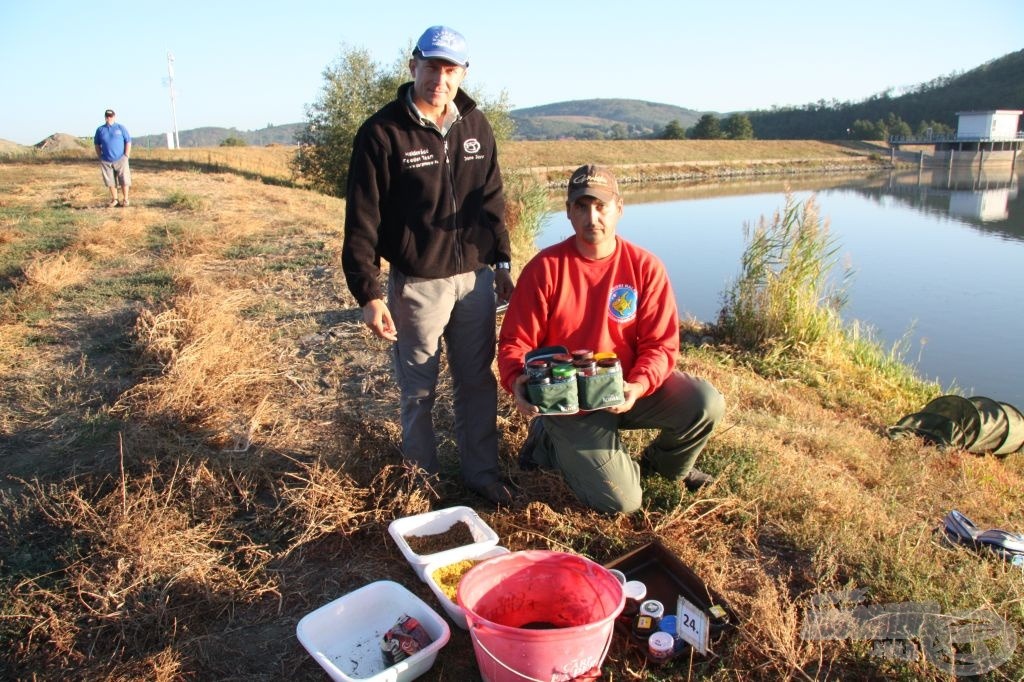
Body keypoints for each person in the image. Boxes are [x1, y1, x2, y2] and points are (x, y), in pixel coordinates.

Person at [341, 25, 514, 505]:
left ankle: (482, 474)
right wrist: (369, 294)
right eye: (432, 66)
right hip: (417, 286)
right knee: (419, 388)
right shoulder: (381, 132)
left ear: (463, 73)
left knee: (477, 381)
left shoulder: (475, 124)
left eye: (450, 68)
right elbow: (362, 221)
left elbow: (492, 200)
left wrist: (500, 261)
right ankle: (424, 485)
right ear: (413, 64)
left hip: (476, 281)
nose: (440, 77)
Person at [497, 164, 724, 514]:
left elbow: (661, 345)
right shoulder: (545, 268)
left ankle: (662, 469)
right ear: (569, 211)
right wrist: (516, 380)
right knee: (622, 503)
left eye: (601, 206)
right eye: (582, 206)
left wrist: (638, 385)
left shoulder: (645, 267)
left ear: (619, 208)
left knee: (705, 403)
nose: (592, 217)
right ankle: (548, 441)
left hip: (626, 388)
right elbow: (515, 341)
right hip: (570, 401)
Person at [94, 109, 132, 208]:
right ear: (105, 117)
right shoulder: (100, 130)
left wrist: (126, 155)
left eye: (111, 116)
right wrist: (100, 156)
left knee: (124, 180)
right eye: (107, 116)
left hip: (121, 159)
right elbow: (97, 144)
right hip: (106, 160)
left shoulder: (120, 128)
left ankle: (126, 199)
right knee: (110, 181)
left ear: (114, 116)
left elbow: (128, 141)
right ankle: (115, 199)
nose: (109, 118)